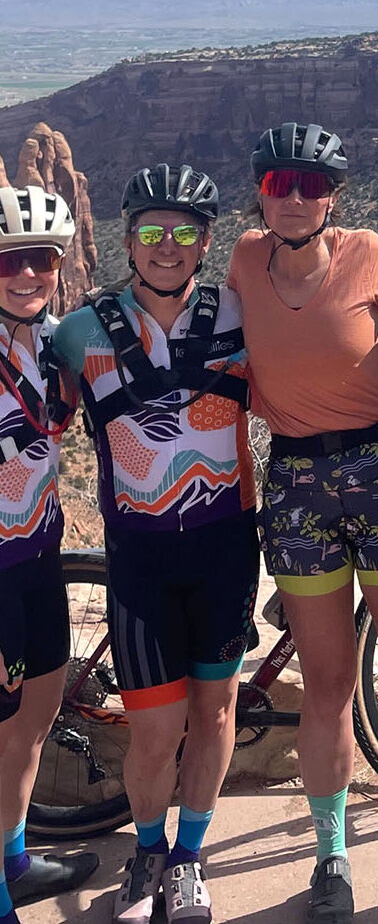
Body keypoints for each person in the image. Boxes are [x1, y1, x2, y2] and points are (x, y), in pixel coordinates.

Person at [227, 122, 378, 924]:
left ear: (333, 196)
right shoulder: (242, 260)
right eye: (280, 184)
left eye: (312, 185)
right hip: (297, 481)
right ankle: (330, 856)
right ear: (261, 193)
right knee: (329, 683)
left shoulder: (368, 253)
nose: (295, 198)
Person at [54, 165, 259, 924]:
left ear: (205, 241)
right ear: (127, 237)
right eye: (150, 230)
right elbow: (38, 422)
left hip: (225, 548)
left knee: (215, 714)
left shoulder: (241, 314)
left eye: (184, 231)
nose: (166, 245)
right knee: (155, 729)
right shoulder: (80, 330)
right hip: (140, 556)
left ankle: (188, 857)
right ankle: (148, 850)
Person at [0, 187, 99, 924]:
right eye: (8, 261)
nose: (27, 274)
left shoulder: (56, 342)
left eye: (41, 258)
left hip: (38, 554)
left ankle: (13, 858)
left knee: (34, 716)